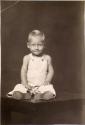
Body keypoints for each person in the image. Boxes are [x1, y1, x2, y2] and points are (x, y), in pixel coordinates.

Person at [7, 30, 56, 102]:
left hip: (42, 85)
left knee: (49, 89)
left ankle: (42, 95)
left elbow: (51, 70)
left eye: (39, 45)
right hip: (29, 85)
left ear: (44, 45)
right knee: (19, 87)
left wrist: (47, 80)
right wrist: (24, 82)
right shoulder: (27, 58)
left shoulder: (47, 58)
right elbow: (23, 70)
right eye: (33, 45)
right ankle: (23, 95)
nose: (36, 48)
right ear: (28, 45)